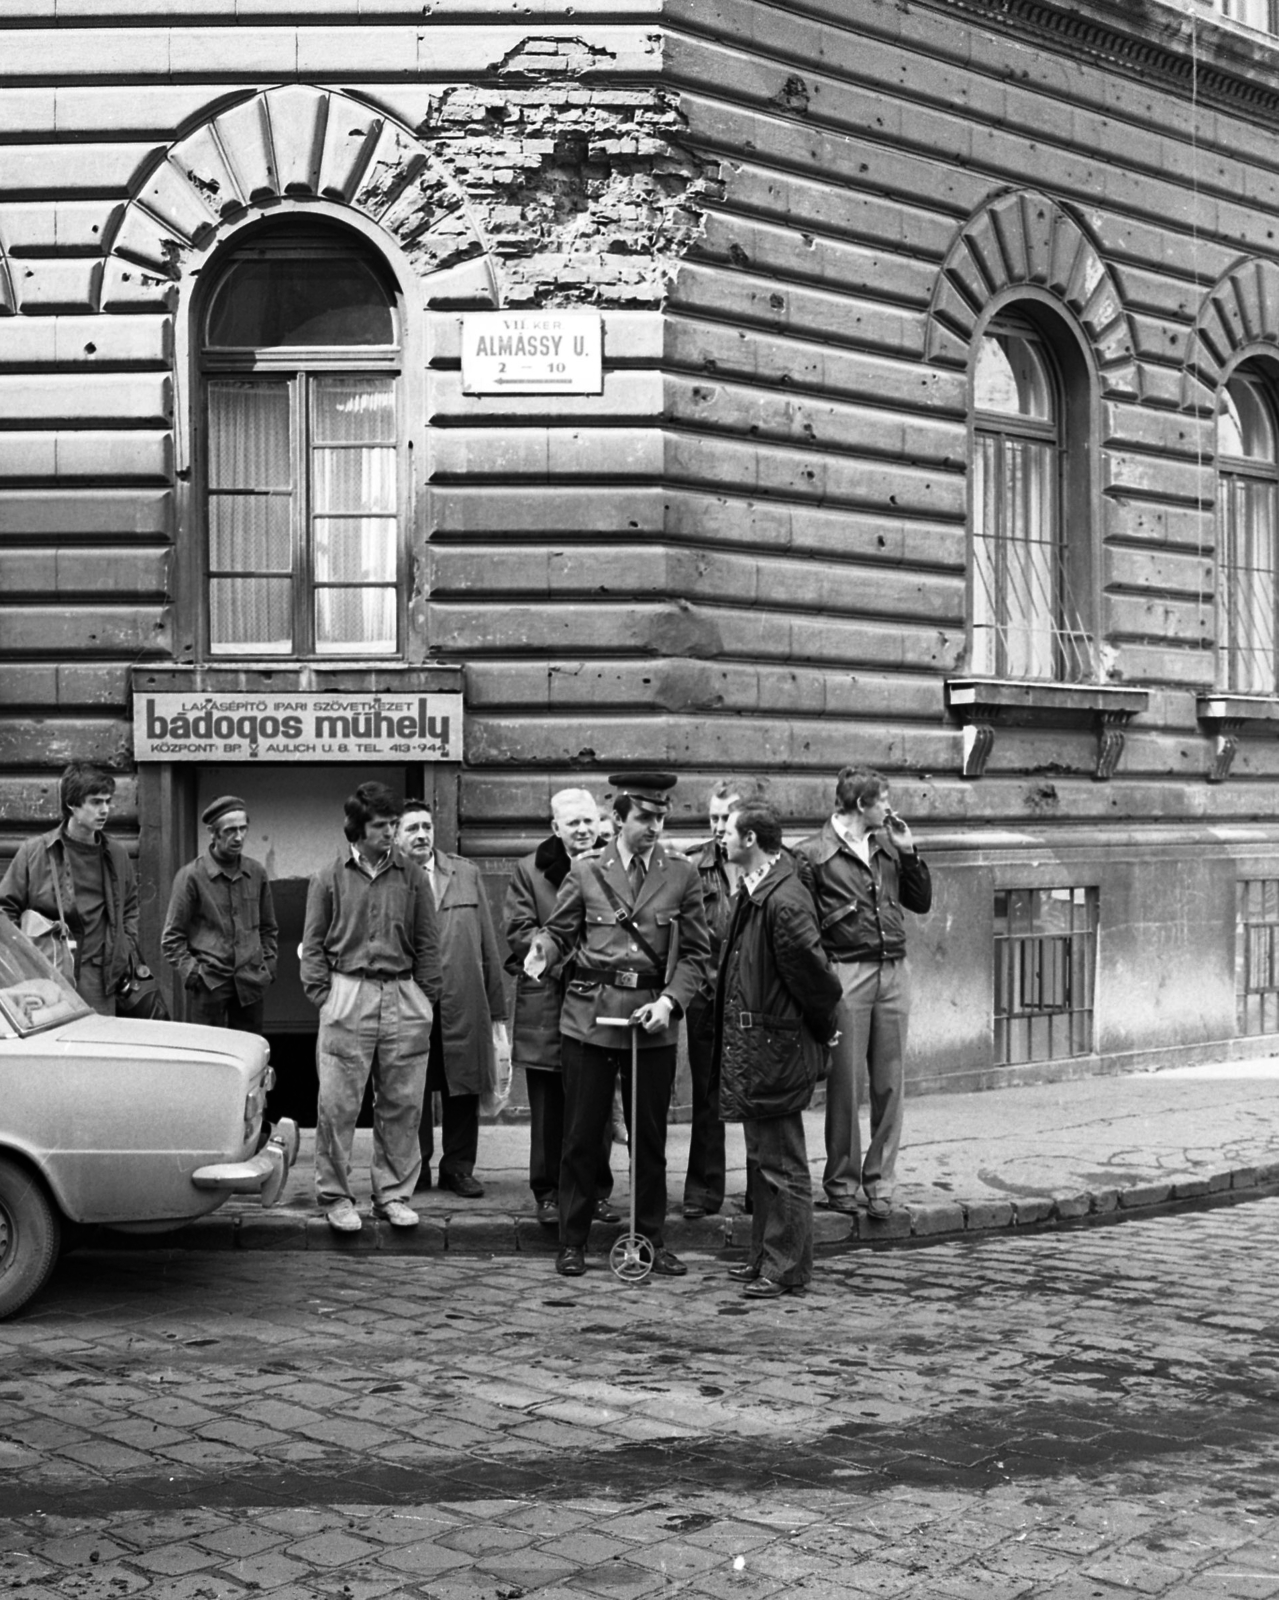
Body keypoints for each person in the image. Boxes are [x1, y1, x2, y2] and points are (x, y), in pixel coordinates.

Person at [525, 771, 711, 1279]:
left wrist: (671, 1003)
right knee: (582, 1136)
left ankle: (651, 1238)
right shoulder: (588, 872)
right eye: (644, 818)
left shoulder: (681, 874)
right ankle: (573, 1240)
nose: (654, 826)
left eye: (661, 817)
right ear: (618, 819)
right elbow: (561, 932)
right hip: (589, 1020)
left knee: (650, 1140)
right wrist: (542, 951)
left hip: (651, 1021)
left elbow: (697, 954)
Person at [300, 782, 442, 1233]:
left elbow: (428, 943)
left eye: (392, 824)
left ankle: (394, 1195)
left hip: (402, 994)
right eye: (382, 826)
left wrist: (423, 997)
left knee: (402, 1102)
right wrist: (324, 997)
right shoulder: (328, 877)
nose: (390, 833)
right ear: (357, 831)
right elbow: (315, 944)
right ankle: (337, 1196)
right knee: (338, 1104)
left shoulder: (414, 877)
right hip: (347, 992)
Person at [715, 800, 842, 1297]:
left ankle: (786, 1266)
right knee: (763, 1160)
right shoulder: (758, 889)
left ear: (750, 840)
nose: (720, 839)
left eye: (727, 831)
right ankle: (764, 1257)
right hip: (759, 1045)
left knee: (783, 1165)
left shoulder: (783, 898)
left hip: (776, 1046)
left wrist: (824, 1028)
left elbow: (816, 978)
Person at [794, 767, 932, 1220]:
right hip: (846, 971)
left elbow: (920, 901)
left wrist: (908, 852)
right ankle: (841, 1183)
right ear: (860, 805)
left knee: (891, 1083)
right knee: (845, 1082)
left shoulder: (886, 847)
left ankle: (880, 1183)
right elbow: (804, 928)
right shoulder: (812, 855)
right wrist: (823, 980)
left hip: (893, 968)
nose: (890, 808)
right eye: (883, 800)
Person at [503, 788, 618, 1228]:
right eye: (573, 823)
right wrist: (576, 957)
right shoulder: (529, 872)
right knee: (550, 1109)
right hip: (548, 1005)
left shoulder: (615, 865)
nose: (584, 830)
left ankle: (597, 1191)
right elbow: (519, 932)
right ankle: (548, 1192)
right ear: (555, 828)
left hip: (599, 1003)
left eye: (589, 821)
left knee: (597, 1105)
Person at [396, 800, 507, 1199]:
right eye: (412, 829)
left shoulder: (465, 872)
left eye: (426, 826)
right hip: (412, 1001)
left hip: (463, 998)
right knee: (413, 1087)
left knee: (465, 1084)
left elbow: (488, 943)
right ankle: (416, 1166)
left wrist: (496, 1010)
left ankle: (459, 1168)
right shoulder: (390, 877)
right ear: (396, 835)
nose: (422, 834)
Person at [0, 761, 139, 1016]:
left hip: (100, 979)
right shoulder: (36, 851)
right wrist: (25, 964)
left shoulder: (117, 854)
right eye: (96, 802)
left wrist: (124, 947)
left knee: (98, 1049)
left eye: (108, 801)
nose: (105, 810)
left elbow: (130, 908)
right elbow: (5, 910)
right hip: (48, 978)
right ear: (72, 804)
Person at [681, 778, 755, 1219]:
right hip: (706, 995)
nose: (717, 827)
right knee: (707, 1093)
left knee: (755, 1094)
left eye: (725, 818)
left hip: (752, 999)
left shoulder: (765, 862)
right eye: (712, 817)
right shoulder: (692, 866)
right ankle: (704, 1189)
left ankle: (759, 1189)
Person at [161, 795, 278, 1032]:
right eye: (230, 831)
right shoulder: (191, 876)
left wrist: (268, 964)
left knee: (250, 1051)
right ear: (213, 833)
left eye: (243, 829)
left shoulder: (256, 873)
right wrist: (194, 973)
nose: (239, 837)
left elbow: (268, 927)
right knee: (208, 1053)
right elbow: (171, 938)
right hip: (209, 984)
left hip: (251, 981)